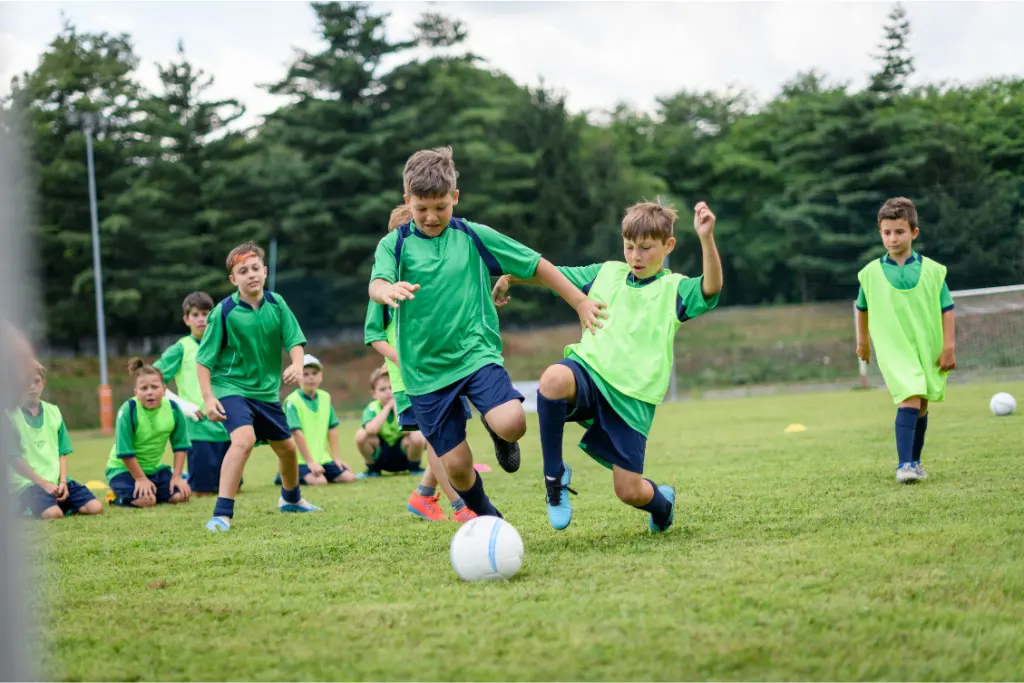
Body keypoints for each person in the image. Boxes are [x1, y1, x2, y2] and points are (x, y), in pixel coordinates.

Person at [368, 146, 605, 518]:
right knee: (458, 467)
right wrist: (386, 290)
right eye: (421, 208)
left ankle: (495, 432)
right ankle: (487, 516)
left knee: (512, 424)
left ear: (455, 198)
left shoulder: (473, 237)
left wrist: (578, 301)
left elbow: (536, 264)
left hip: (475, 354)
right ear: (407, 201)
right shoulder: (394, 245)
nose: (431, 217)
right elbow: (377, 282)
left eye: (441, 207)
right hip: (425, 374)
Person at [493, 201, 722, 532]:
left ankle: (663, 505)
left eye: (645, 248)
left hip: (632, 398)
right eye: (629, 247)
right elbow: (554, 275)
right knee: (554, 378)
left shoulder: (675, 289)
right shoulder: (606, 273)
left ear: (668, 246)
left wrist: (706, 238)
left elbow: (711, 286)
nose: (635, 256)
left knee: (629, 491)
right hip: (590, 373)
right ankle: (554, 478)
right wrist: (511, 278)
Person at [363, 203, 476, 522]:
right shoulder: (385, 289)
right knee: (438, 441)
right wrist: (403, 360)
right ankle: (458, 505)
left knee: (452, 439)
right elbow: (374, 336)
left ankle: (424, 495)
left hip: (446, 374)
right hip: (412, 382)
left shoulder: (433, 281)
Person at [197, 241, 320, 532]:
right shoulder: (223, 312)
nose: (251, 274)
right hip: (231, 388)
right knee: (244, 440)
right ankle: (221, 514)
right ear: (233, 279)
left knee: (288, 450)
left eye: (255, 268)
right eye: (243, 271)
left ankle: (291, 499)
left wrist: (297, 365)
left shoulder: (277, 304)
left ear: (264, 272)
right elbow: (203, 361)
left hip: (266, 394)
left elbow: (295, 342)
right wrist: (208, 397)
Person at [856, 197, 956, 483]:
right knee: (910, 396)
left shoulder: (934, 271)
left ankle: (916, 461)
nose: (892, 238)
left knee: (922, 403)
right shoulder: (870, 273)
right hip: (894, 347)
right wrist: (863, 342)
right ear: (880, 233)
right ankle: (904, 466)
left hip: (927, 345)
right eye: (886, 232)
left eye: (899, 231)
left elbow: (947, 310)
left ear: (914, 232)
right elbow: (862, 308)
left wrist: (949, 346)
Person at [153, 291, 236, 496]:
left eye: (206, 313)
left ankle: (181, 475)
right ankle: (178, 476)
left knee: (233, 488)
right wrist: (182, 405)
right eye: (196, 314)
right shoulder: (181, 348)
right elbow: (152, 379)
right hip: (198, 430)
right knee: (203, 491)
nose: (201, 319)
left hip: (227, 427)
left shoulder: (225, 344)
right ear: (186, 319)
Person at [7, 364, 103, 520]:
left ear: (43, 383)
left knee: (95, 508)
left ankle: (55, 504)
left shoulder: (54, 412)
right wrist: (44, 484)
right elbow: (13, 459)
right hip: (27, 484)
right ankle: (24, 507)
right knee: (54, 514)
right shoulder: (9, 416)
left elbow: (62, 452)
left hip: (56, 482)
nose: (31, 387)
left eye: (36, 381)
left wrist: (63, 481)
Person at [105, 359, 193, 508]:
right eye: (144, 388)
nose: (150, 392)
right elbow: (125, 452)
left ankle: (152, 490)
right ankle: (115, 497)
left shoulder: (173, 409)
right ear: (136, 392)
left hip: (155, 470)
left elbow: (180, 446)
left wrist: (177, 476)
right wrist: (140, 479)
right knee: (147, 501)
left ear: (164, 390)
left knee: (182, 494)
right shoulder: (128, 410)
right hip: (122, 470)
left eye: (154, 387)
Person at [281, 354, 356, 485]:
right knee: (320, 482)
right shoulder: (292, 402)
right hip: (300, 460)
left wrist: (336, 458)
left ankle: (320, 468)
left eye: (315, 373)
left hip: (322, 459)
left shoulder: (325, 397)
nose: (311, 377)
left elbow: (332, 428)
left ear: (321, 376)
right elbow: (296, 433)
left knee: (348, 477)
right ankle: (285, 475)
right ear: (298, 377)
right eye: (305, 374)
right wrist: (310, 462)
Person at [355, 367, 427, 477]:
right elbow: (371, 430)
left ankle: (414, 468)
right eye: (382, 389)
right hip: (382, 454)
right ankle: (372, 470)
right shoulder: (371, 408)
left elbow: (406, 431)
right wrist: (387, 407)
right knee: (361, 434)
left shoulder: (405, 405)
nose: (388, 392)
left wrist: (396, 407)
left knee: (417, 434)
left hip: (403, 454)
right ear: (374, 393)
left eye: (391, 388)